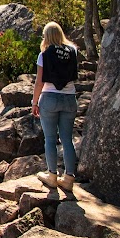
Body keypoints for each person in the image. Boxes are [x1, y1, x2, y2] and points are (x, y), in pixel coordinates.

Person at [32, 21, 79, 191]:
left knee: (50, 139)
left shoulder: (44, 54)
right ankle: (69, 178)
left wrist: (34, 102)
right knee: (67, 140)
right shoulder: (73, 51)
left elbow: (39, 82)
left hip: (49, 98)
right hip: (69, 98)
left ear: (47, 36)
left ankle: (52, 175)